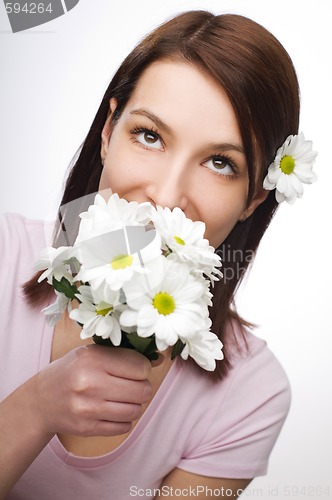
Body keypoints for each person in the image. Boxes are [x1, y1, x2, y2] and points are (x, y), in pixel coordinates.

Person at [0, 10, 316, 499]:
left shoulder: (250, 397)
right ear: (108, 132)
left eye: (220, 163)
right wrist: (35, 408)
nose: (167, 196)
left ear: (254, 198)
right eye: (149, 136)